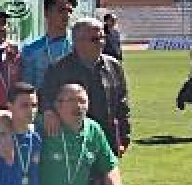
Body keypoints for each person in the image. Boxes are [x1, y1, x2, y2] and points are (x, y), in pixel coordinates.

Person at [40, 17, 133, 157]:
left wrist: (124, 138)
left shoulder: (114, 66)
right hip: (73, 142)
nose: (101, 43)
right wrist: (48, 112)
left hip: (108, 141)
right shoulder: (58, 69)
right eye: (95, 39)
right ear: (78, 42)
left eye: (102, 37)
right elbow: (45, 98)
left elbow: (122, 104)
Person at [21, 0, 77, 92]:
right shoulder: (31, 49)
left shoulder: (78, 46)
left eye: (70, 11)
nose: (67, 15)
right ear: (46, 13)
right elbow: (28, 88)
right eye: (61, 10)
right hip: (44, 105)